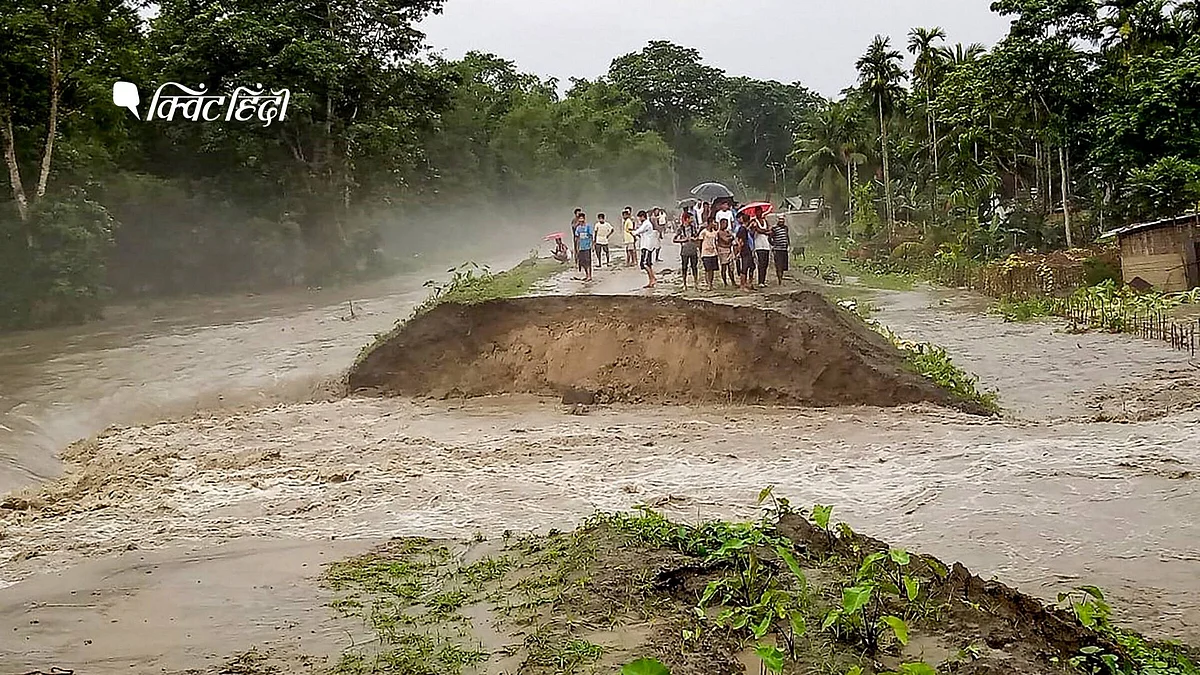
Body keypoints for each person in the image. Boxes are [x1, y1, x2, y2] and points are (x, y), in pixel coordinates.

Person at [674, 210, 701, 290]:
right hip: (684, 250)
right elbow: (674, 239)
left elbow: (697, 237)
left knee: (694, 267)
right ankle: (684, 283)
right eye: (691, 218)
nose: (692, 220)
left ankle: (695, 283)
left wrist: (695, 239)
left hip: (693, 249)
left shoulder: (693, 227)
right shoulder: (680, 228)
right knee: (684, 267)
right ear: (687, 219)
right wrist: (682, 240)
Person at [633, 209, 659, 288]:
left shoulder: (646, 224)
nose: (639, 219)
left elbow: (638, 231)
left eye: (639, 218)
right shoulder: (645, 224)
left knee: (645, 264)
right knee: (648, 264)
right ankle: (652, 278)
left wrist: (632, 232)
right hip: (646, 245)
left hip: (647, 246)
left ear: (642, 217)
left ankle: (652, 279)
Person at [699, 216, 720, 291]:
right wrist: (701, 252)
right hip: (705, 252)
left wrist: (717, 251)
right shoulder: (704, 232)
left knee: (712, 269)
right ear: (710, 223)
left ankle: (711, 283)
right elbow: (700, 242)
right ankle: (708, 284)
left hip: (713, 252)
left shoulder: (714, 233)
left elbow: (716, 242)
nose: (714, 224)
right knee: (708, 269)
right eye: (713, 222)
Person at [735, 214, 755, 291]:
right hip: (745, 250)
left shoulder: (743, 229)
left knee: (751, 266)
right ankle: (742, 285)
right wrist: (739, 251)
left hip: (747, 249)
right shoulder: (742, 229)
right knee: (744, 267)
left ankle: (747, 283)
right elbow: (740, 241)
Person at [769, 214, 791, 285]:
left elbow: (787, 236)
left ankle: (781, 277)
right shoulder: (774, 228)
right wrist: (773, 244)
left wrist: (788, 244)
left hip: (784, 249)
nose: (781, 221)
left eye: (782, 220)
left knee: (783, 265)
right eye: (780, 220)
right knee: (778, 265)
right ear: (778, 220)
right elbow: (770, 237)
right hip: (777, 249)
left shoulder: (786, 228)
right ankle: (779, 280)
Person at [753, 214, 772, 288]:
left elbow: (769, 230)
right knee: (761, 263)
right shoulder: (755, 221)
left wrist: (767, 231)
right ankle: (760, 281)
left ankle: (763, 280)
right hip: (759, 245)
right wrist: (766, 231)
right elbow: (758, 230)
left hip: (766, 245)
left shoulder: (765, 221)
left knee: (765, 264)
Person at [574, 212, 595, 281]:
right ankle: (586, 274)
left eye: (582, 219)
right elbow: (577, 238)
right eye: (579, 219)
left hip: (587, 246)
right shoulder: (578, 228)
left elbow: (591, 236)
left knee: (588, 261)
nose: (581, 221)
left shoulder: (588, 227)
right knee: (582, 262)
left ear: (584, 219)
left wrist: (592, 245)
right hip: (581, 247)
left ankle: (589, 276)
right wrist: (577, 248)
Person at [716, 217, 735, 287]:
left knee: (731, 268)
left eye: (727, 223)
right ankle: (725, 282)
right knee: (724, 267)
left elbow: (732, 238)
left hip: (729, 250)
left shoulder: (727, 231)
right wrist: (730, 237)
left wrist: (730, 236)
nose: (726, 225)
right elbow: (726, 240)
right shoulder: (719, 232)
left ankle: (733, 281)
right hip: (723, 250)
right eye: (724, 223)